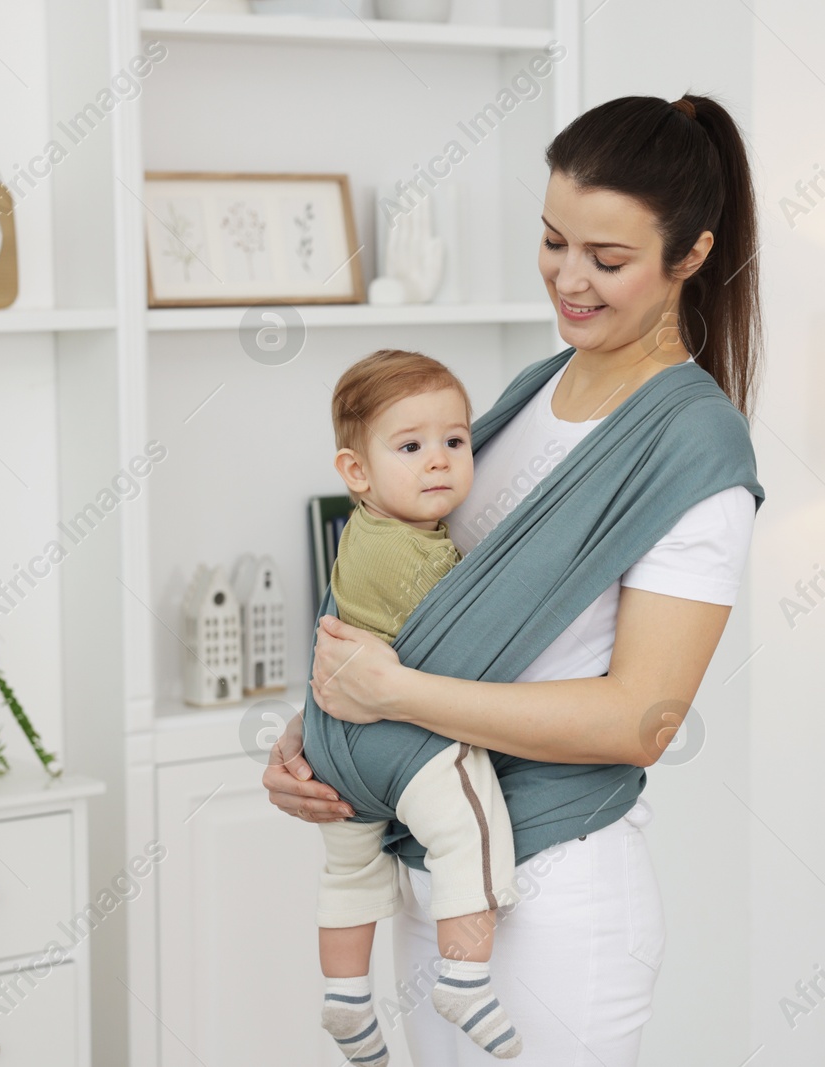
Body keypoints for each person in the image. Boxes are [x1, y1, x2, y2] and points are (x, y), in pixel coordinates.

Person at [267, 91, 765, 1065]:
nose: (567, 280)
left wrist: (393, 694)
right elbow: (419, 599)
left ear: (691, 257)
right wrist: (320, 734)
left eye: (607, 259)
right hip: (436, 859)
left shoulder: (693, 446)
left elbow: (643, 718)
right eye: (552, 240)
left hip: (554, 882)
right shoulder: (538, 386)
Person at [314, 348, 523, 1065]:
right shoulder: (422, 557)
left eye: (455, 441)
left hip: (333, 746)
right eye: (411, 446)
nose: (439, 461)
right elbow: (458, 643)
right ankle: (464, 979)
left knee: (350, 873)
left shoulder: (363, 532)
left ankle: (345, 999)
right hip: (397, 739)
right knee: (471, 832)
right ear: (357, 471)